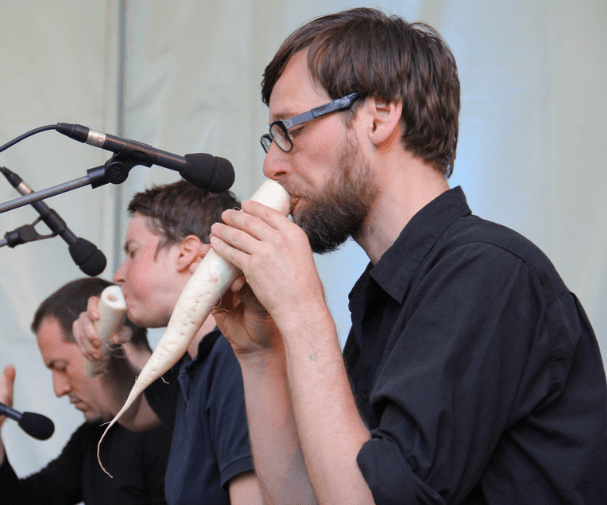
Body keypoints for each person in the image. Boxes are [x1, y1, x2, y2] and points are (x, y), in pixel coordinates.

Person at [208, 7, 607, 505]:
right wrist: (261, 354)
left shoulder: (486, 272)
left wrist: (304, 313)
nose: (271, 164)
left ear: (379, 115)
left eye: (290, 128)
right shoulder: (386, 299)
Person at [75, 181, 264, 505]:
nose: (119, 274)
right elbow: (134, 414)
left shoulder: (233, 359)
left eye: (133, 252)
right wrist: (103, 350)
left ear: (186, 252)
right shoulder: (194, 365)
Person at [0, 277, 171, 505]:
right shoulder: (93, 438)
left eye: (61, 367)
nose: (59, 389)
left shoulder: (174, 419)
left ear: (97, 340)